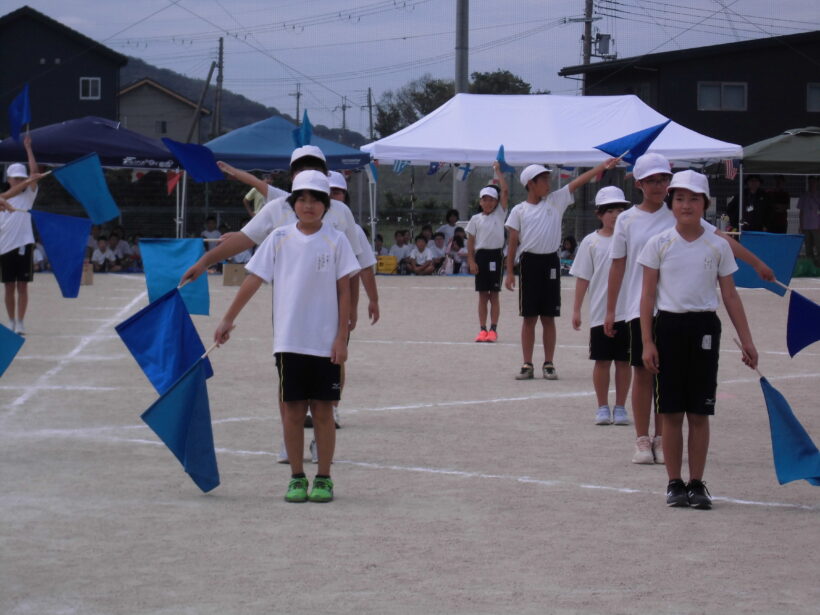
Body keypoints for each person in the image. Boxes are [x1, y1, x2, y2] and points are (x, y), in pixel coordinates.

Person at [604, 153, 774, 465]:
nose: (659, 185)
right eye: (652, 180)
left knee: (667, 379)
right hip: (638, 307)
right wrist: (609, 309)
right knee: (642, 372)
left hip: (674, 311)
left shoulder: (682, 211)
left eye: (663, 179)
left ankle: (660, 437)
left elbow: (720, 240)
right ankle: (642, 438)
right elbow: (617, 267)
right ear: (639, 184)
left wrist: (757, 263)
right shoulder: (628, 219)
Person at [214, 170, 359, 503]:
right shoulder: (278, 237)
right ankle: (296, 476)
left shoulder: (336, 240)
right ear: (293, 203)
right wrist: (228, 319)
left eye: (316, 200)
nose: (308, 206)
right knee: (292, 412)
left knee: (323, 412)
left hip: (325, 344)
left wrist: (341, 338)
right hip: (289, 342)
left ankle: (323, 477)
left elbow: (344, 293)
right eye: (302, 199)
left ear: (326, 205)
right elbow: (252, 280)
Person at [638, 170, 758, 509]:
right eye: (679, 199)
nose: (686, 205)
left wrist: (747, 340)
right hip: (669, 328)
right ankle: (674, 482)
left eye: (693, 199)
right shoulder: (658, 243)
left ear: (705, 203)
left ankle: (697, 483)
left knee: (700, 413)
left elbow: (731, 296)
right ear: (671, 203)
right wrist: (647, 341)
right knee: (672, 411)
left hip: (705, 328)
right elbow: (647, 297)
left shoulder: (717, 244)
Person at [505, 158, 617, 381]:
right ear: (530, 183)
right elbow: (512, 242)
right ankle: (527, 363)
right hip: (528, 263)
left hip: (550, 263)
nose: (549, 183)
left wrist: (602, 167)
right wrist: (509, 272)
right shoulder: (519, 210)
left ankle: (548, 362)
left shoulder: (555, 201)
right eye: (544, 180)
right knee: (529, 317)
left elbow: (577, 183)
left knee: (549, 316)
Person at [570, 186, 631, 426]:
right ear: (599, 214)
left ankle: (621, 407)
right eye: (609, 211)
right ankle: (602, 406)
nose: (615, 215)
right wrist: (576, 309)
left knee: (625, 362)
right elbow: (583, 277)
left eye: (619, 210)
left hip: (629, 312)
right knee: (602, 361)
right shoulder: (591, 242)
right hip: (599, 312)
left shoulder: (631, 239)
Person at [0, 135, 40, 335]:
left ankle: (21, 321)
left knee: (23, 286)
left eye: (21, 178)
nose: (18, 180)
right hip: (4, 246)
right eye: (15, 178)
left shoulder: (29, 195)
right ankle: (11, 320)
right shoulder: (1, 198)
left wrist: (28, 149)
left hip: (24, 243)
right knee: (8, 286)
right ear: (8, 179)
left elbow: (34, 173)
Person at [466, 161, 509, 342]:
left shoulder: (500, 213)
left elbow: (505, 191)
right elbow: (471, 242)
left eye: (491, 199)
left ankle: (494, 329)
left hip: (496, 256)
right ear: (480, 201)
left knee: (494, 295)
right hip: (481, 256)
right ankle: (482, 329)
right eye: (485, 199)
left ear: (496, 202)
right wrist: (471, 260)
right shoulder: (475, 219)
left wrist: (498, 172)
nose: (488, 202)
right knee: (483, 295)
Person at [797, 176, 820, 267]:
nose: (812, 184)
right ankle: (811, 266)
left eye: (814, 182)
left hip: (817, 226)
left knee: (819, 247)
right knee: (808, 248)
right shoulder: (804, 196)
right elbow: (801, 212)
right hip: (806, 226)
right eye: (810, 182)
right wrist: (801, 225)